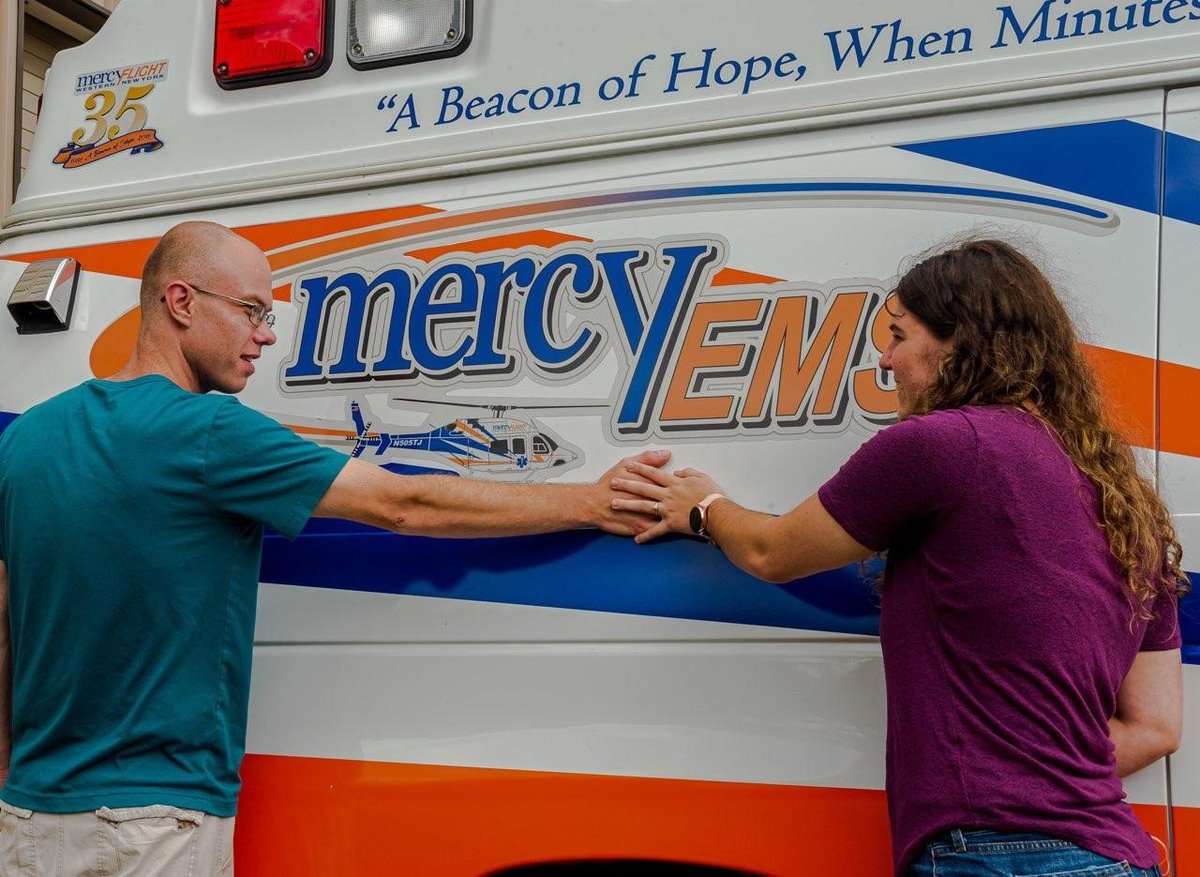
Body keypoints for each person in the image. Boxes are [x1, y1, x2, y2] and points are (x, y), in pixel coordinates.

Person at [0, 221, 666, 875]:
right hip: (151, 821)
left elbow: (4, 627)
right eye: (252, 309)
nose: (265, 332)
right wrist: (591, 501)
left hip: (26, 817)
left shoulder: (24, 440)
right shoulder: (206, 430)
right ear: (181, 302)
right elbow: (407, 503)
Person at [612, 239, 1187, 877]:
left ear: (963, 340)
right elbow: (1156, 726)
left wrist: (704, 506)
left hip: (996, 856)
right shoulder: (1123, 496)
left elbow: (770, 552)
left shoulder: (943, 444)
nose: (884, 361)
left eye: (898, 335)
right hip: (1116, 857)